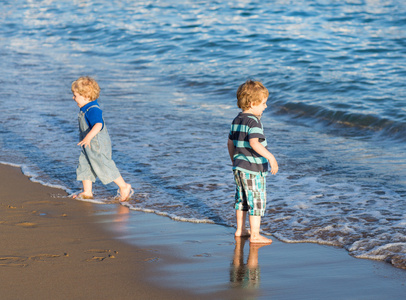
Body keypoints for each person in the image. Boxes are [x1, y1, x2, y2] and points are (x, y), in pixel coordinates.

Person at [227, 80, 278, 244]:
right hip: (253, 169)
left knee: (241, 199)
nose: (266, 106)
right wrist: (271, 157)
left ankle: (240, 230)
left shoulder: (237, 120)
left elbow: (229, 143)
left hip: (239, 167)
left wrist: (234, 160)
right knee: (256, 200)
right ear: (252, 103)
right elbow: (254, 142)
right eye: (263, 103)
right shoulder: (253, 121)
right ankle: (255, 235)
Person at [71, 76, 133, 202]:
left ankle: (124, 186)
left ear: (86, 96)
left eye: (75, 95)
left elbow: (98, 125)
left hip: (96, 143)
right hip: (88, 143)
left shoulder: (93, 109)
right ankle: (87, 191)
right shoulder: (85, 108)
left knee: (103, 164)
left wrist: (88, 137)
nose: (73, 98)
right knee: (85, 164)